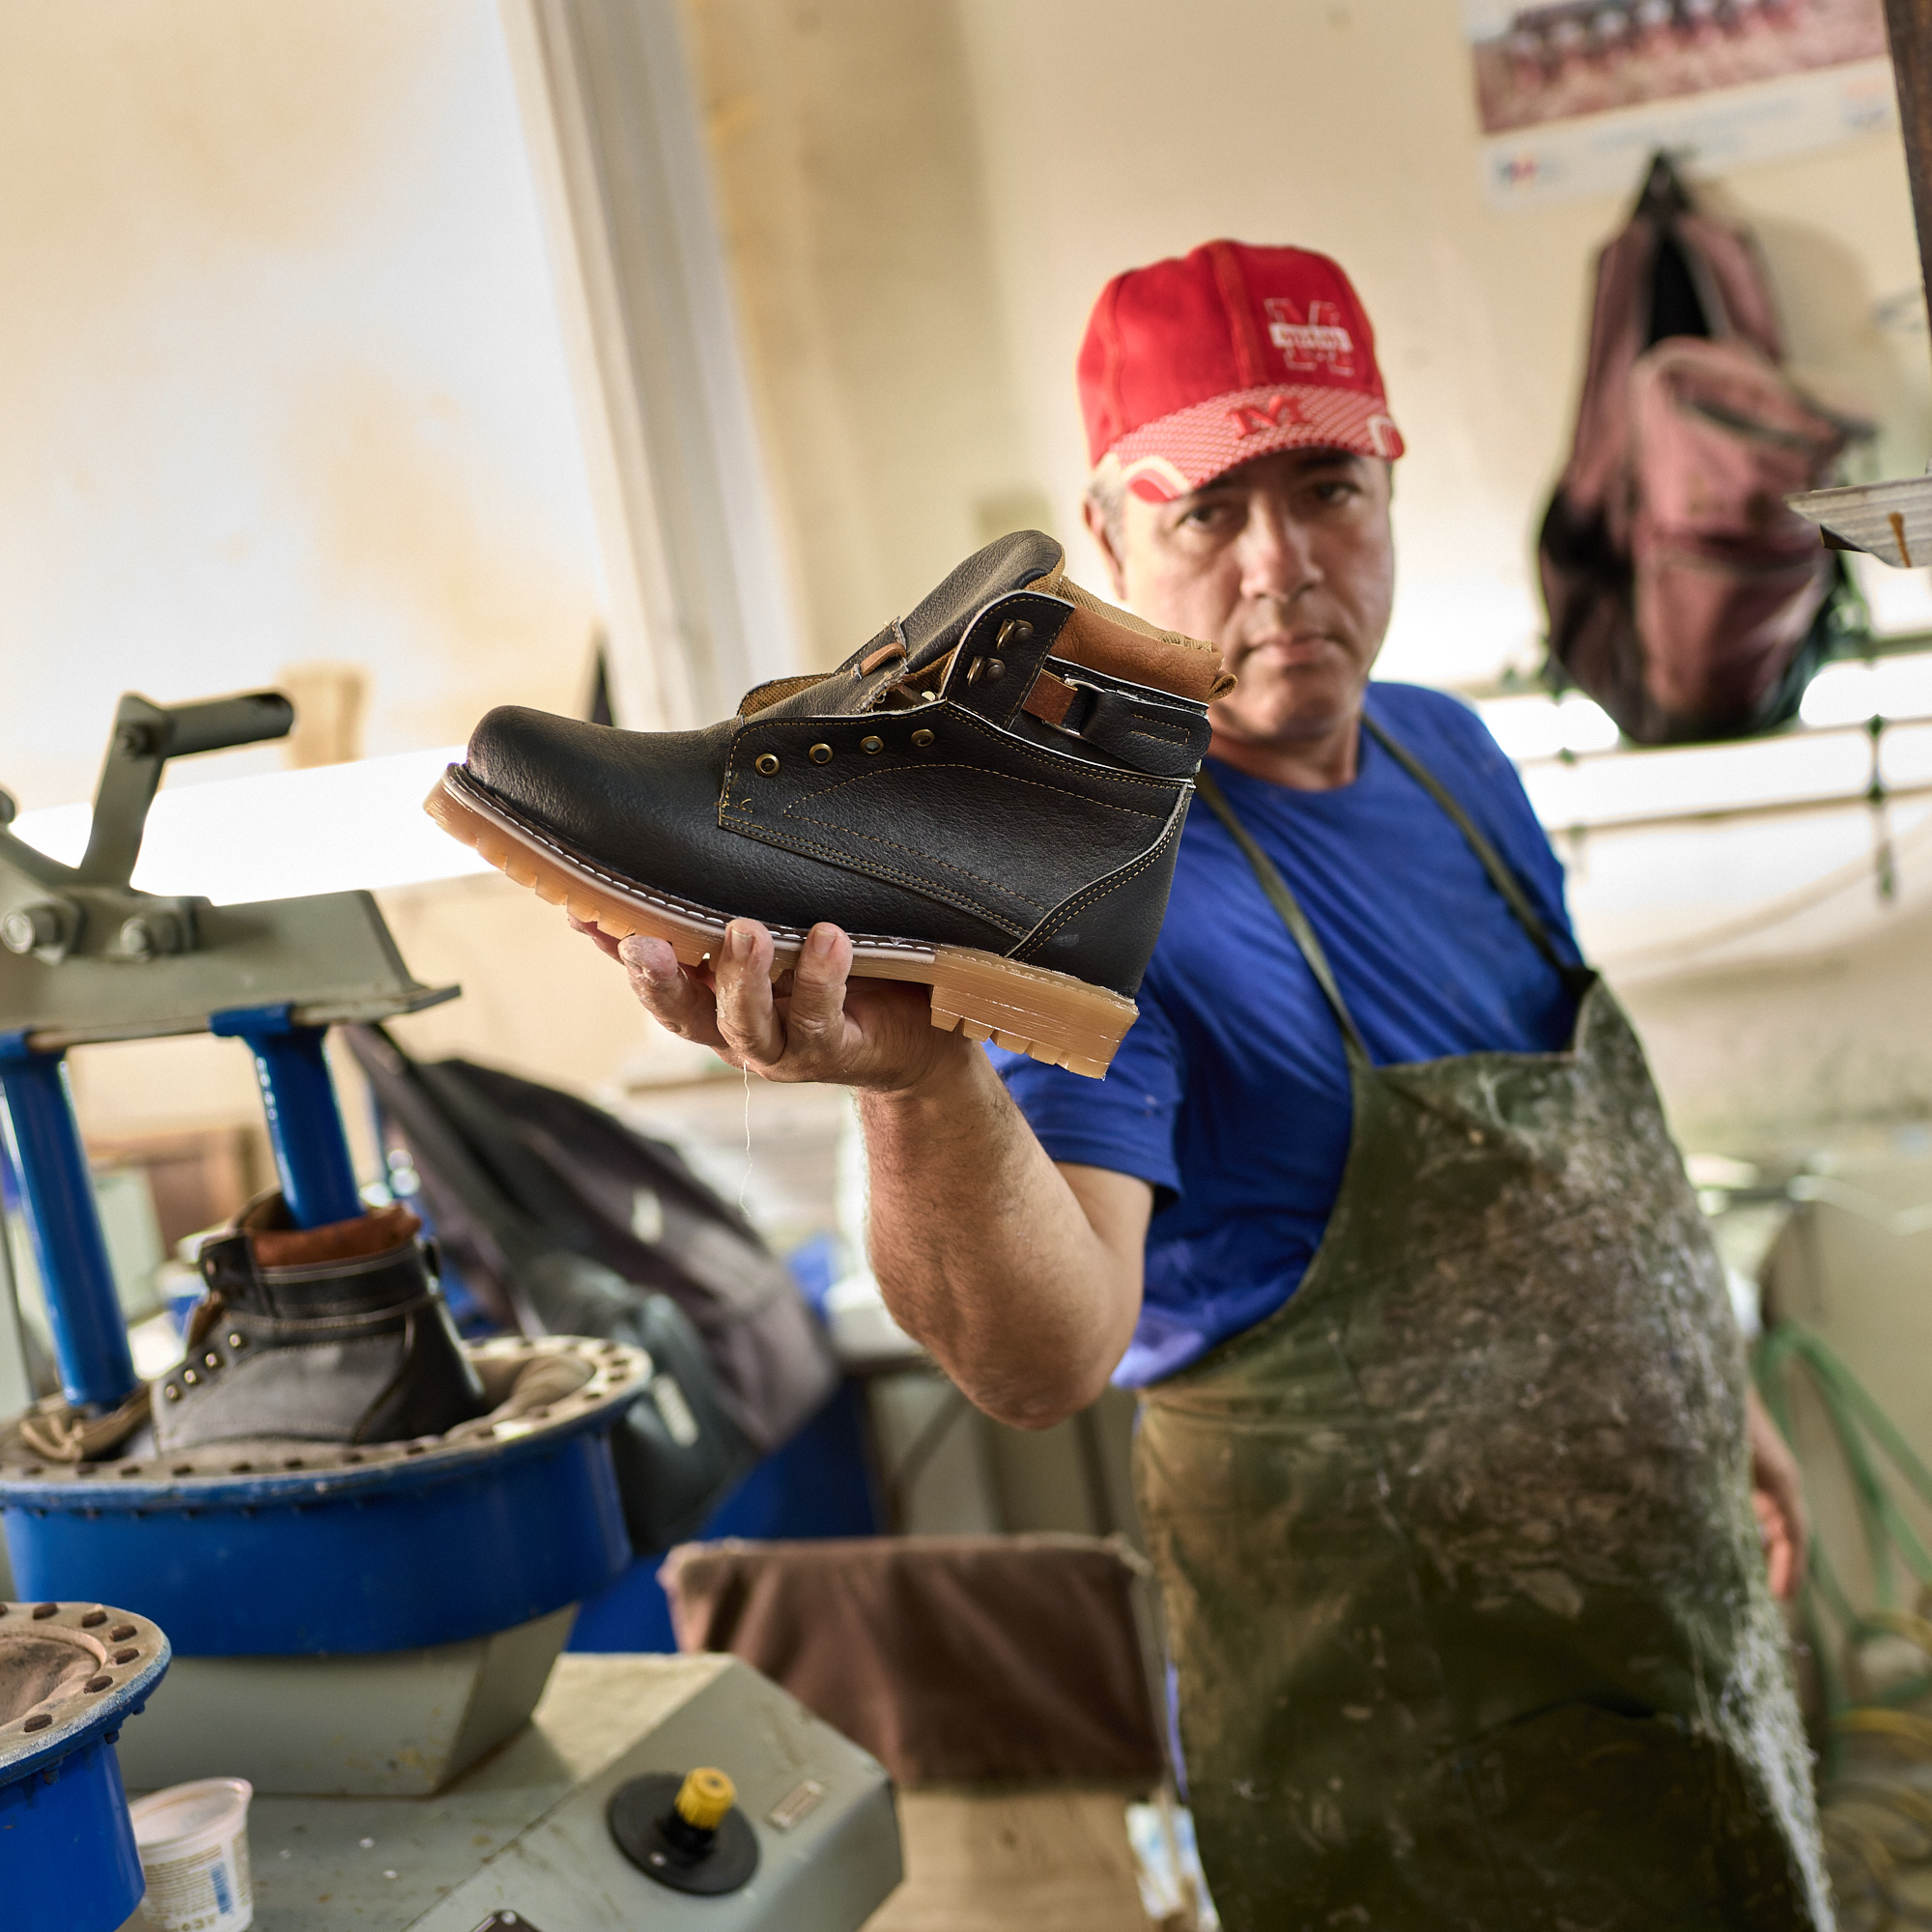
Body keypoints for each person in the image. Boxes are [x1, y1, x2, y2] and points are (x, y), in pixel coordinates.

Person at [582, 240, 1828, 1925]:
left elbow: (1600, 1170)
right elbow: (1045, 1356)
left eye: (1325, 491)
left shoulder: (1453, 756)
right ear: (1103, 543)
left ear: (1391, 485)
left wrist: (1711, 1401)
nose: (1281, 567)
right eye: (1209, 516)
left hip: (1663, 1657)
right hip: (1410, 1757)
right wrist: (920, 1092)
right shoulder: (1107, 889)